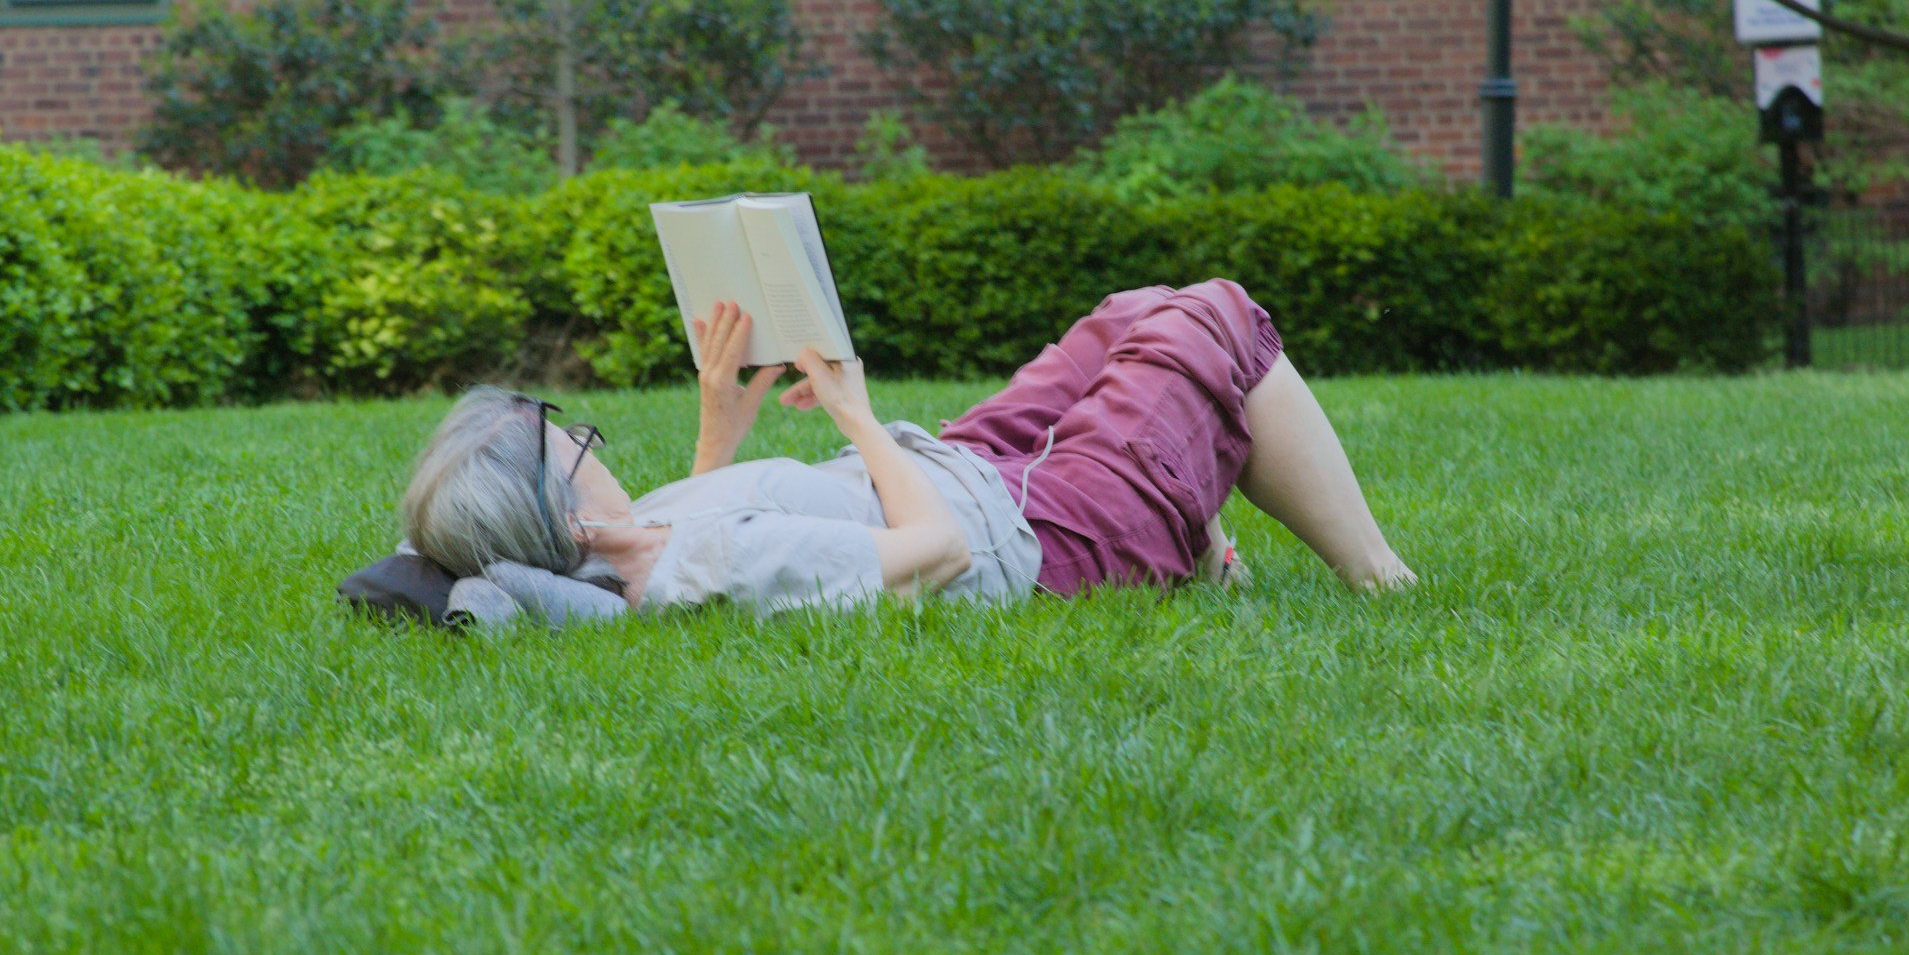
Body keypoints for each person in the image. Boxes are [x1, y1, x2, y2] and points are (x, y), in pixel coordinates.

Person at [398, 280, 1414, 618]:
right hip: (1038, 533)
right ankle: (1378, 579)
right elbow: (937, 556)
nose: (585, 435)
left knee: (1131, 315)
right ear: (565, 515)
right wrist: (853, 414)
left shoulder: (630, 545)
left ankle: (1192, 535)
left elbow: (719, 521)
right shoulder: (704, 566)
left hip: (974, 470)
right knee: (1215, 318)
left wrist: (721, 421)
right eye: (573, 445)